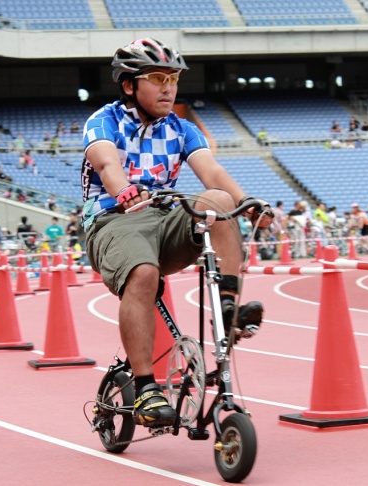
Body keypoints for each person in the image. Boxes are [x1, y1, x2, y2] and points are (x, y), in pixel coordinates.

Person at [81, 38, 271, 428]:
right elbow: (106, 162)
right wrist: (124, 190)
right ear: (129, 85)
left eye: (173, 79)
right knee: (144, 274)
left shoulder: (182, 129)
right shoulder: (104, 121)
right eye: (156, 78)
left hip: (166, 220)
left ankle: (230, 309)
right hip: (114, 220)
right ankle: (148, 387)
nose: (168, 87)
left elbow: (211, 172)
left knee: (218, 201)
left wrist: (248, 201)